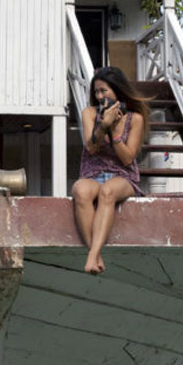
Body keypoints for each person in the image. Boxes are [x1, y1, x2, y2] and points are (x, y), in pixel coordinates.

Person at [71, 66, 148, 274]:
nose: (99, 96)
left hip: (122, 176)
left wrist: (114, 131)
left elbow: (127, 158)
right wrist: (102, 126)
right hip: (93, 173)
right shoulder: (89, 113)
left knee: (108, 193)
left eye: (104, 91)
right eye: (96, 92)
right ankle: (96, 255)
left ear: (117, 90)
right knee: (80, 190)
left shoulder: (135, 119)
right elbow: (91, 147)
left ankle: (91, 256)